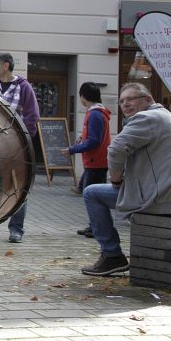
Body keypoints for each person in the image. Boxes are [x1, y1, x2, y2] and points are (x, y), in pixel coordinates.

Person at [81, 82, 171, 276]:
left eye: (131, 99)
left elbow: (115, 150)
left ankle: (111, 255)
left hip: (158, 197)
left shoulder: (147, 118)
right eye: (122, 101)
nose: (125, 104)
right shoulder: (166, 116)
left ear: (148, 99)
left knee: (91, 193)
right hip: (167, 193)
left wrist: (116, 180)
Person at [0, 52, 40, 243]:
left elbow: (32, 116)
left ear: (5, 66)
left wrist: (23, 142)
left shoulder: (24, 87)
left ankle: (16, 230)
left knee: (18, 188)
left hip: (18, 147)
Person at [61, 82, 111, 236]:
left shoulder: (95, 114)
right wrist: (83, 138)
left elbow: (94, 141)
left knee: (93, 197)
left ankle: (97, 228)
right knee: (92, 195)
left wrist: (72, 150)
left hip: (96, 162)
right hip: (96, 161)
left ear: (83, 96)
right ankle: (94, 226)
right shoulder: (97, 112)